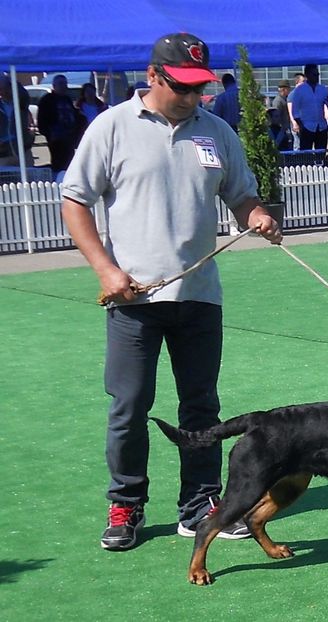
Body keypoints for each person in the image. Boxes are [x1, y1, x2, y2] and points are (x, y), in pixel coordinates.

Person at [60, 32, 282, 552]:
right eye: (182, 86)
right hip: (133, 301)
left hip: (200, 296)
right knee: (129, 406)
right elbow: (75, 202)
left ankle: (200, 504)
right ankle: (126, 506)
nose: (191, 96)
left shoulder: (217, 131)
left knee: (202, 408)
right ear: (154, 76)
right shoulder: (112, 127)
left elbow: (241, 192)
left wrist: (255, 214)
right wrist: (106, 271)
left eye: (198, 87)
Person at [37, 74, 83, 176]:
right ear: (54, 86)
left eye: (65, 84)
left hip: (69, 138)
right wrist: (49, 134)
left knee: (71, 163)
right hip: (56, 139)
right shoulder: (47, 100)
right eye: (61, 84)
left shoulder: (67, 99)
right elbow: (42, 121)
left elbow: (74, 115)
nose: (64, 86)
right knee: (58, 164)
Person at [289, 64, 328, 151]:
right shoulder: (300, 90)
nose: (317, 77)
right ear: (307, 75)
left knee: (321, 154)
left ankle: (320, 164)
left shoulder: (323, 89)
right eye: (314, 75)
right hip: (306, 127)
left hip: (322, 127)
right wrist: (301, 126)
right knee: (306, 156)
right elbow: (295, 111)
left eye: (318, 74)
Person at [0, 74, 34, 167]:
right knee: (6, 179)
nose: (5, 91)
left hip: (23, 151)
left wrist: (12, 80)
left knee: (29, 179)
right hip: (3, 154)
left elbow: (23, 94)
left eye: (7, 87)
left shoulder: (21, 104)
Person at [271, 79, 293, 150]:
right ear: (284, 89)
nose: (289, 91)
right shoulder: (278, 101)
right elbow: (276, 115)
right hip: (281, 129)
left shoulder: (285, 99)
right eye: (288, 89)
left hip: (286, 128)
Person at [287, 72, 305, 149]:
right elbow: (290, 110)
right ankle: (297, 160)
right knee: (297, 145)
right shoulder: (293, 94)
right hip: (297, 124)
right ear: (297, 82)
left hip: (304, 123)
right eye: (303, 82)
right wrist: (294, 123)